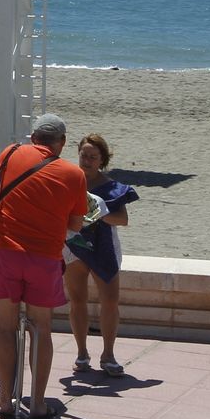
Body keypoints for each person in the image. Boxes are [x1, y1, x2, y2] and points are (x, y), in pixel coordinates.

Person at [0, 113, 88, 419]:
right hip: (44, 257)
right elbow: (76, 224)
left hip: (4, 250)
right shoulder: (73, 174)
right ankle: (38, 404)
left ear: (33, 136)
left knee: (4, 326)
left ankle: (3, 401)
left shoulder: (10, 153)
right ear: (62, 143)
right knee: (42, 327)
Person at [64, 133, 139, 377]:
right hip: (74, 245)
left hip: (104, 246)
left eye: (92, 157)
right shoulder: (68, 181)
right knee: (77, 300)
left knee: (109, 301)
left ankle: (108, 354)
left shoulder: (112, 187)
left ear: (102, 160)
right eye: (83, 155)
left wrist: (99, 213)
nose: (86, 160)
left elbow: (123, 219)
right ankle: (82, 353)